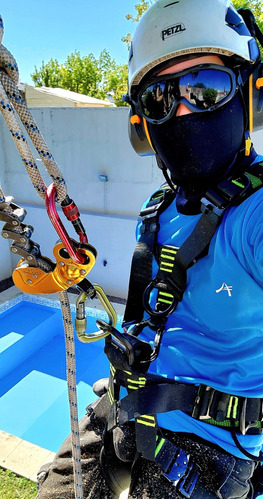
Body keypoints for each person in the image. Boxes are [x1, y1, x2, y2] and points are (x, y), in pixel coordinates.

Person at [37, 1, 263, 498]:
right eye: (160, 97)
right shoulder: (156, 209)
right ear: (143, 122)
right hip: (127, 402)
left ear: (248, 94)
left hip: (208, 450)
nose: (182, 110)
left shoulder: (256, 214)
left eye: (206, 87)